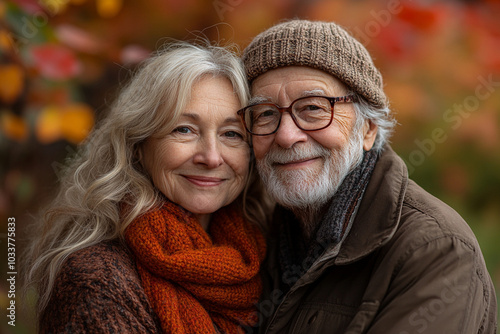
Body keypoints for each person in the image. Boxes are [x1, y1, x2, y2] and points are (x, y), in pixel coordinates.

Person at [238, 20, 498, 333]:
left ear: (368, 129)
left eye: (313, 108)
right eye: (265, 113)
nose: (286, 135)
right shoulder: (251, 239)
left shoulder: (435, 249)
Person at [23, 40, 271, 333]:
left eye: (232, 134)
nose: (212, 157)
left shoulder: (266, 257)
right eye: (184, 129)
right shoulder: (97, 281)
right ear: (139, 144)